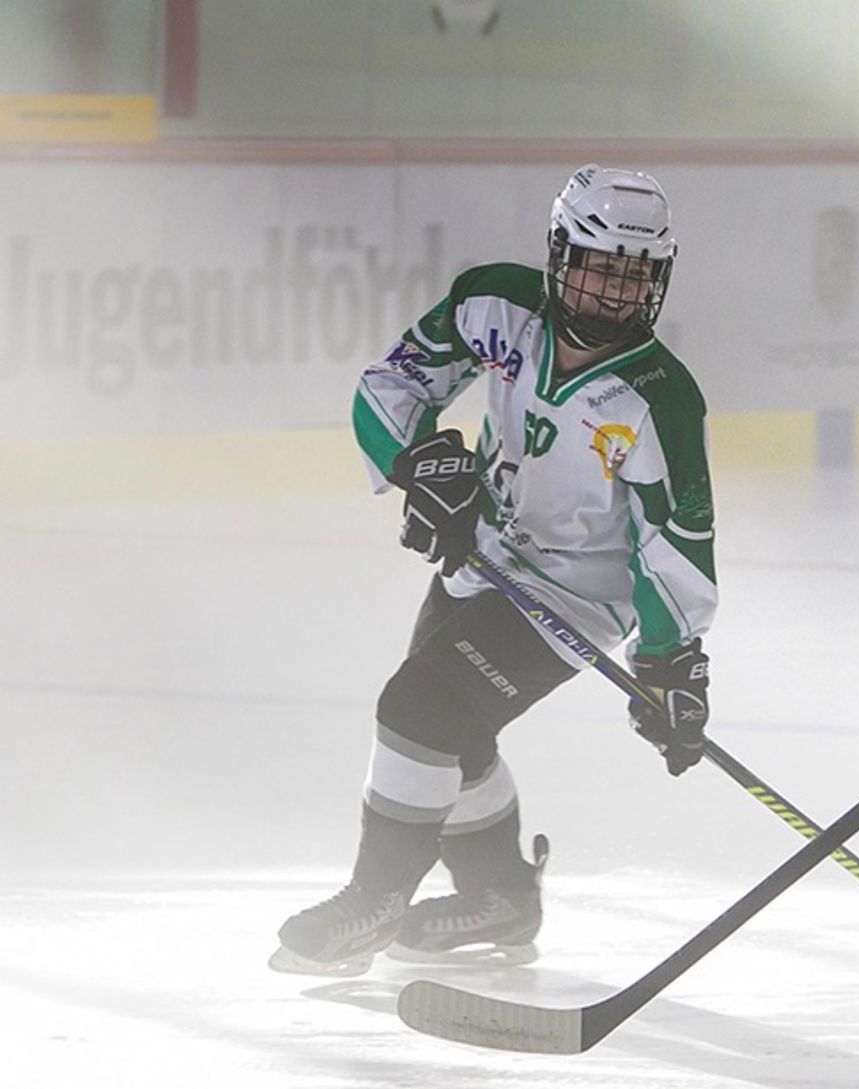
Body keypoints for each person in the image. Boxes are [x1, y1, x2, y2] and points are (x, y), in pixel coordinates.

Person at [270, 165, 718, 976]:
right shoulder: (496, 304)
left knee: (417, 709)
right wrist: (421, 465)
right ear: (559, 253)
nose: (615, 290)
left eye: (634, 274)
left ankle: (373, 901)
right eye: (598, 266)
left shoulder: (660, 399)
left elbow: (675, 538)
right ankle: (501, 896)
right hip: (483, 553)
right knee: (454, 736)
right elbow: (393, 383)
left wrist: (668, 658)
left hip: (576, 599)